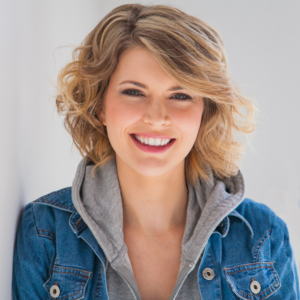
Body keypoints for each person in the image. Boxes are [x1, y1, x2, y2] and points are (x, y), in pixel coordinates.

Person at [12, 3, 299, 300]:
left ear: (205, 112)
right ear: (100, 106)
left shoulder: (262, 235)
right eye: (134, 92)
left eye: (180, 95)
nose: (157, 117)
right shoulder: (46, 231)